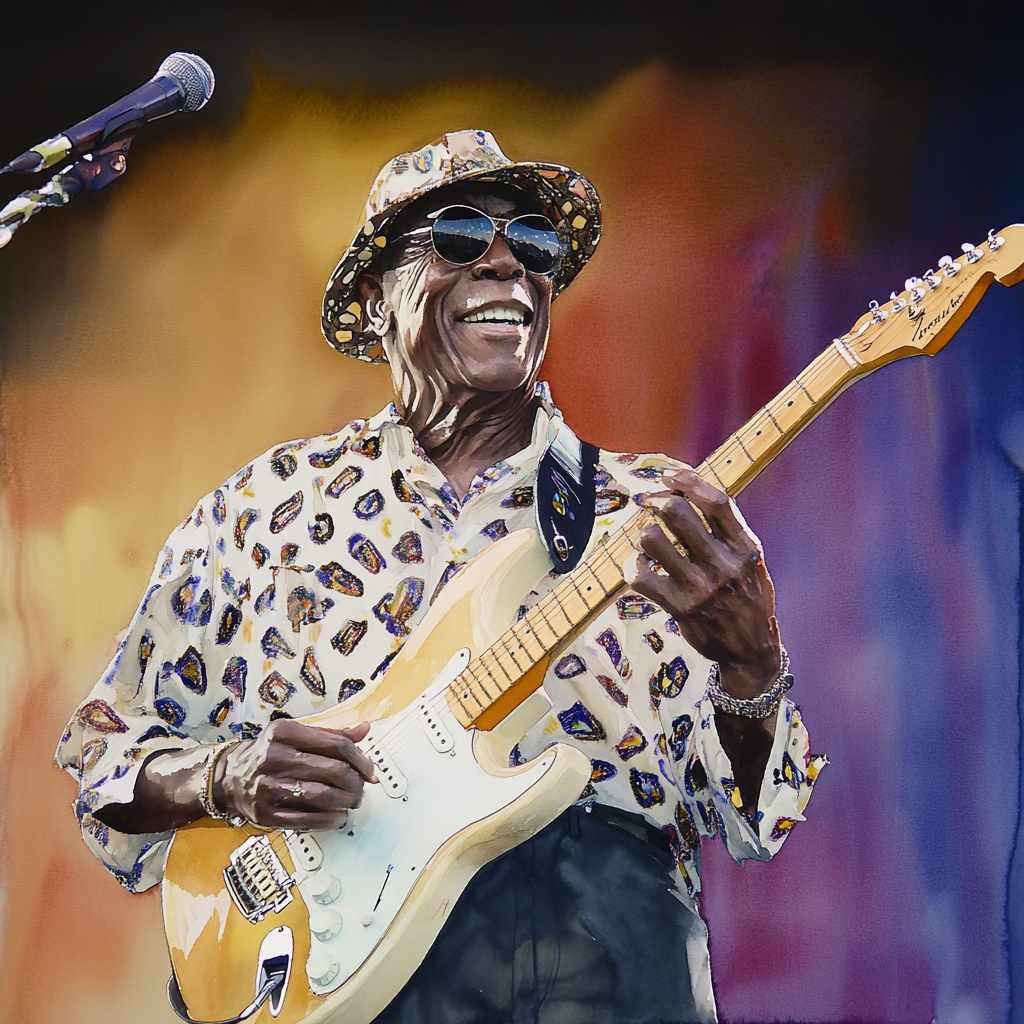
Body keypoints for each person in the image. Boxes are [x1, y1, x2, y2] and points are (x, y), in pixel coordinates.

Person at [56, 130, 823, 1024]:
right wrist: (223, 776)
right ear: (376, 299)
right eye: (457, 236)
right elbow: (104, 753)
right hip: (336, 971)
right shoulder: (264, 507)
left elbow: (753, 815)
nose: (505, 264)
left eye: (533, 243)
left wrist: (752, 671)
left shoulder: (652, 512)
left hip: (604, 970)